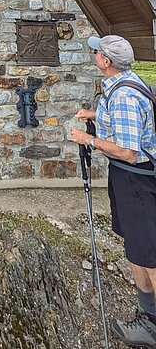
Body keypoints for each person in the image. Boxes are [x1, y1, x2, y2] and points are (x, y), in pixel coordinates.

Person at [71, 34, 156, 347]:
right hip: (126, 178)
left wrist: (88, 139)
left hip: (136, 178)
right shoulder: (125, 84)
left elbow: (128, 151)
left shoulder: (123, 97)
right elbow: (126, 125)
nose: (94, 56)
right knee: (137, 248)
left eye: (97, 53)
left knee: (150, 253)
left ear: (106, 61)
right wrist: (95, 116)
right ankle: (147, 317)